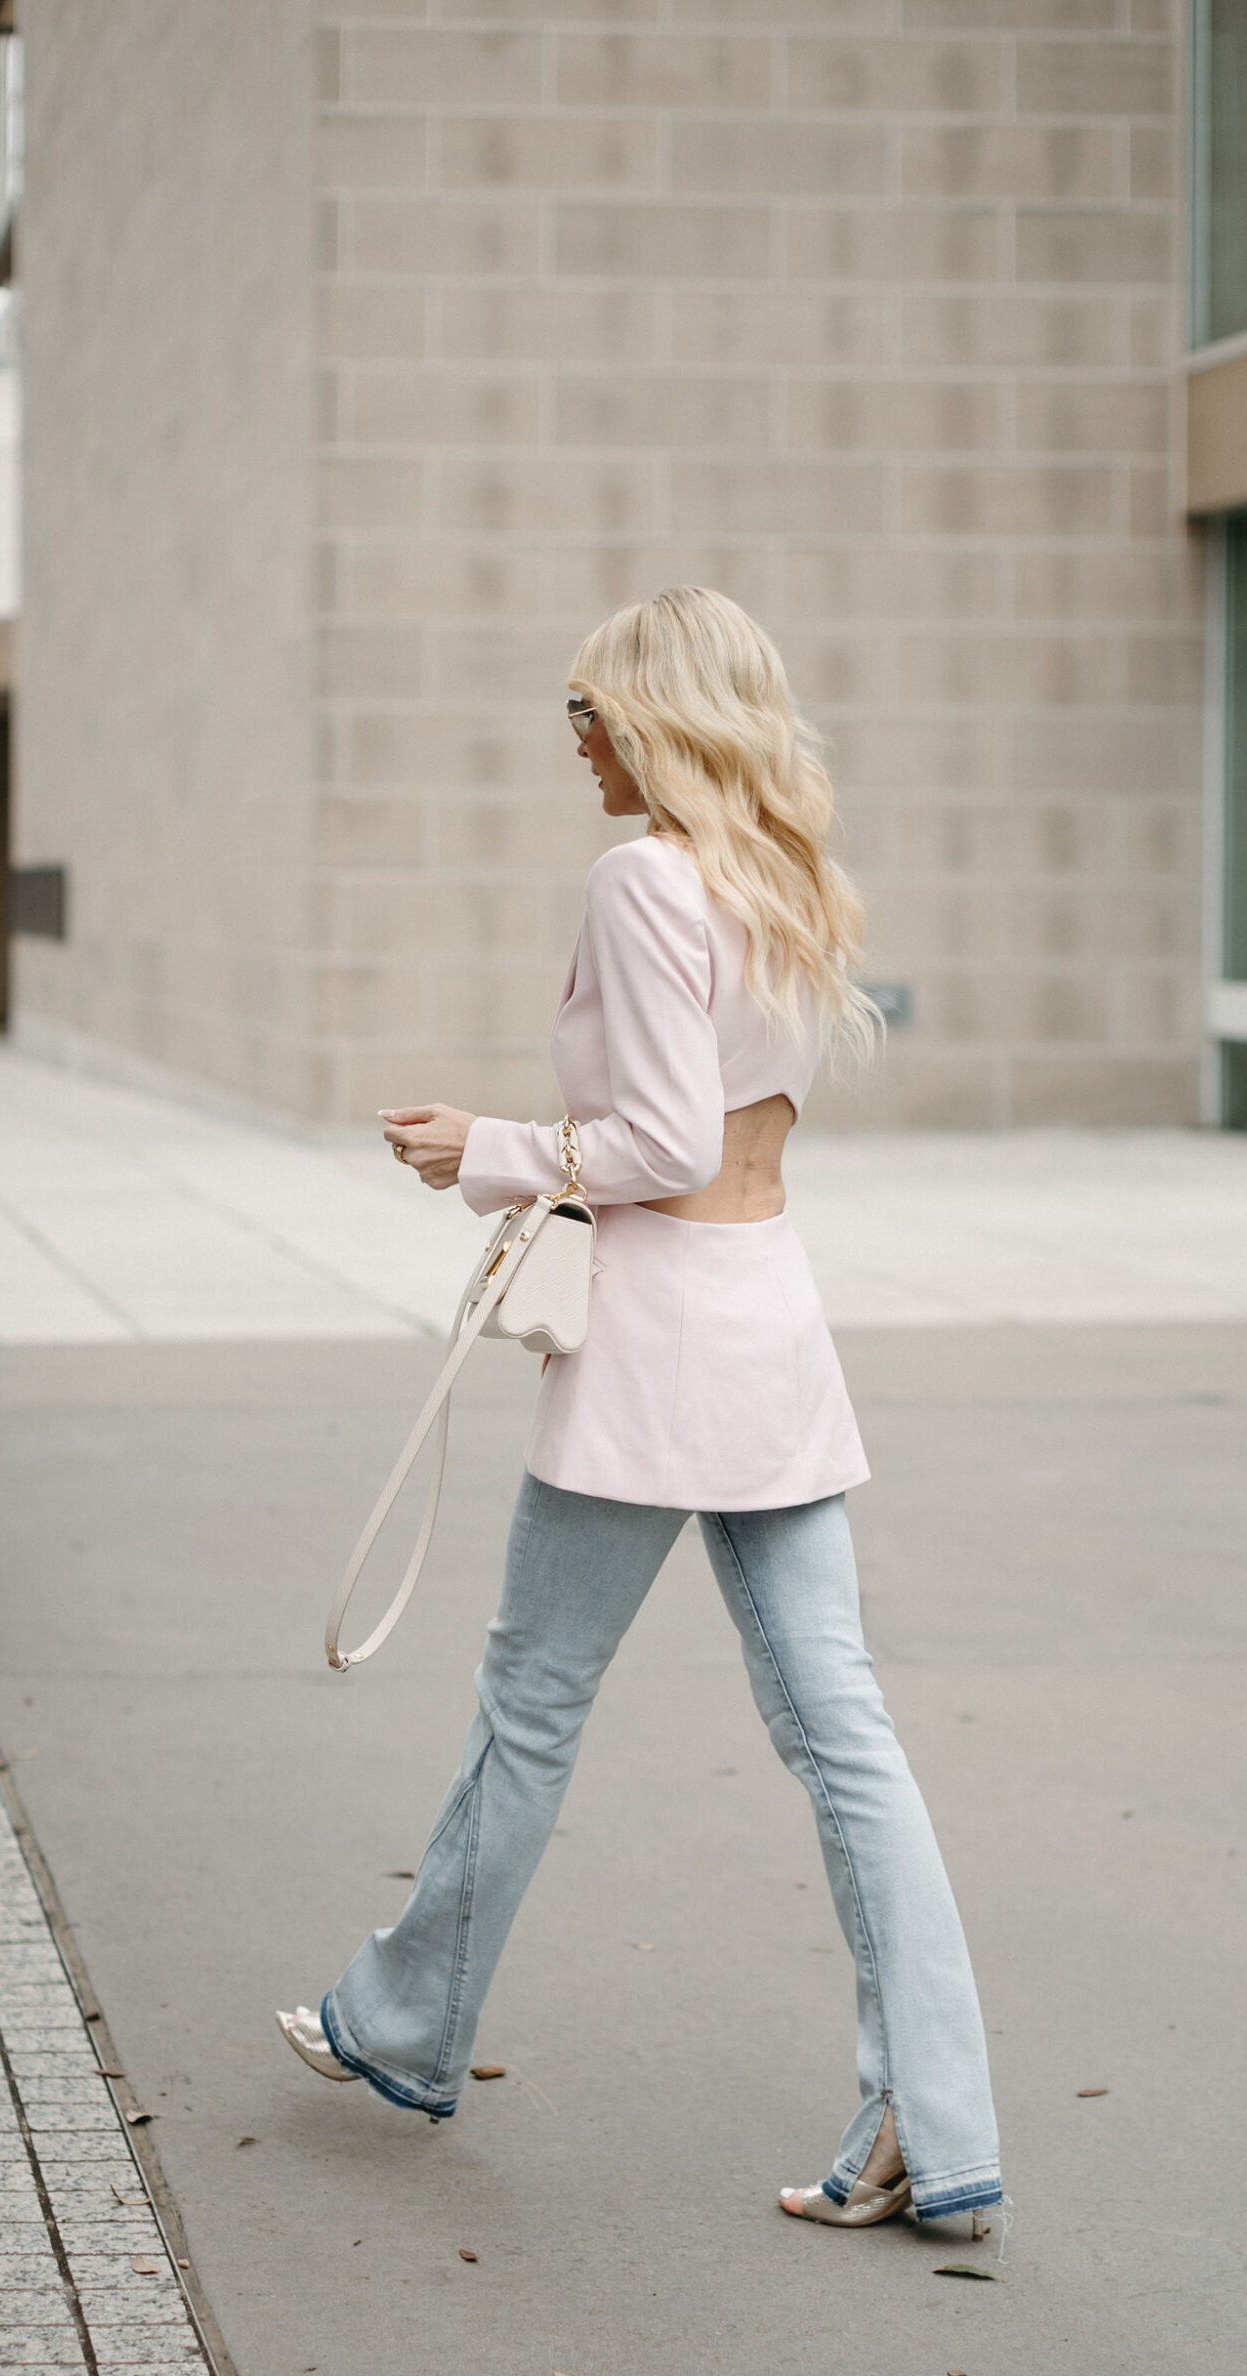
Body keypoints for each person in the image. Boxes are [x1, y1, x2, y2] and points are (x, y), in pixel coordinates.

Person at [277, 586, 1001, 2232]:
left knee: (533, 1703)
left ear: (656, 720)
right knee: (845, 1735)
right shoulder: (785, 879)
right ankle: (939, 2126)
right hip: (771, 1320)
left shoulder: (644, 880)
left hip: (662, 1343)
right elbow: (729, 1131)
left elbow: (663, 1143)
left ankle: (407, 2024)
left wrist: (490, 1149)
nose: (577, 741)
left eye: (590, 710)